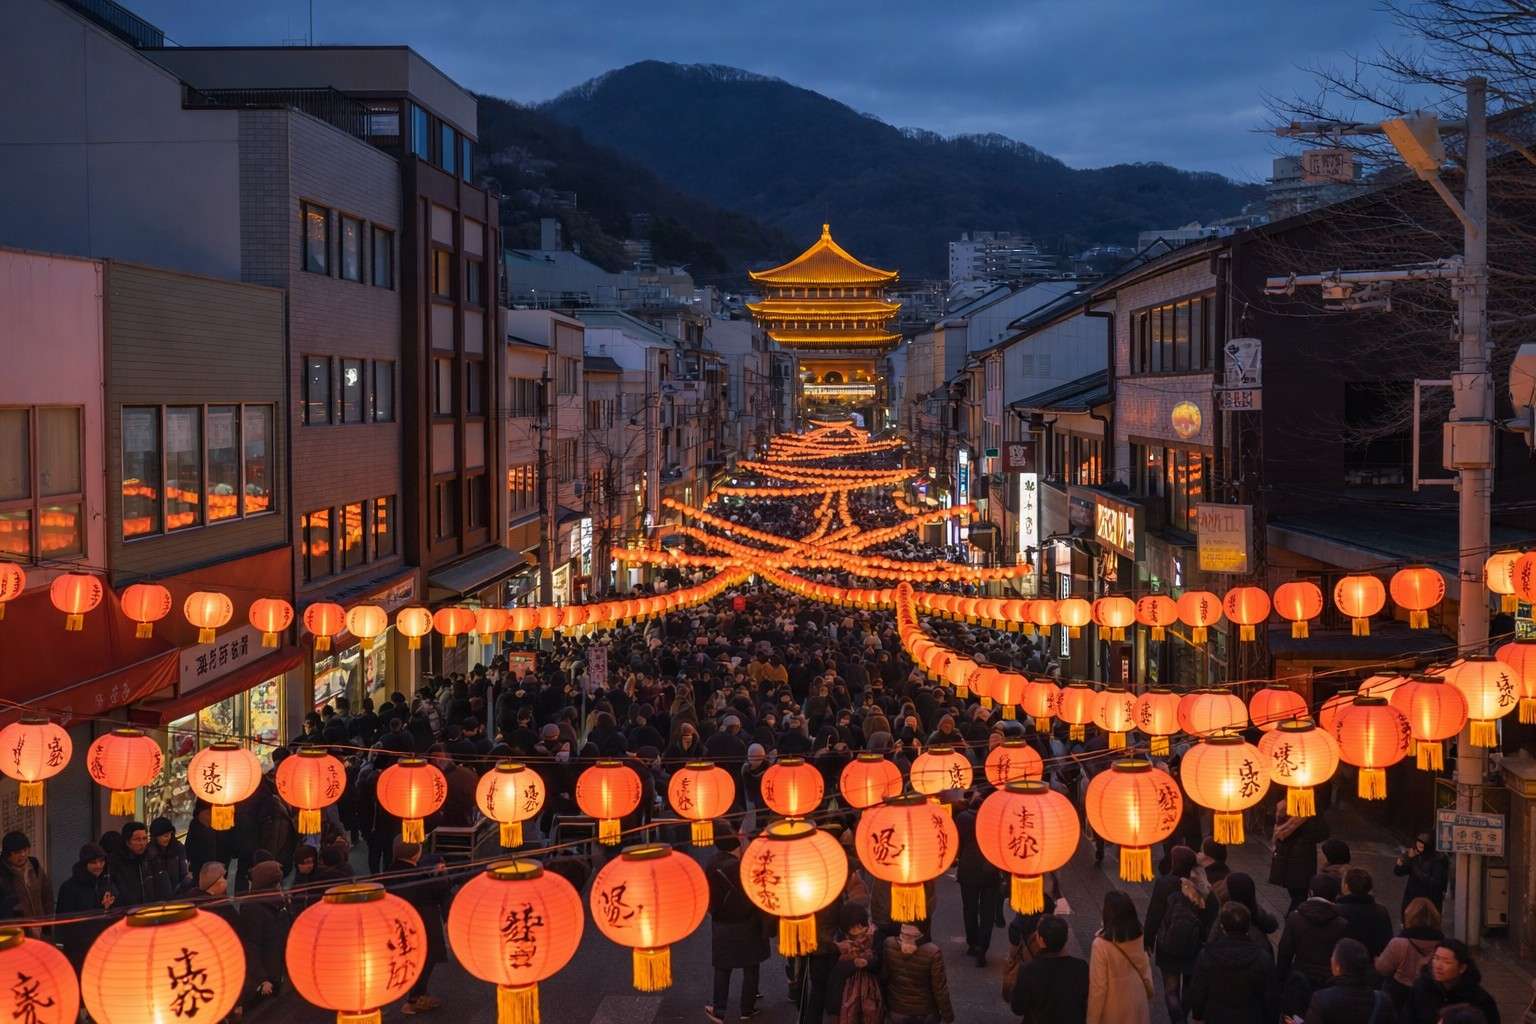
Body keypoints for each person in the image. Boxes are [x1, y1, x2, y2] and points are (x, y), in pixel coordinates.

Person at [703, 825, 768, 1024]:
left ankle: (719, 1009)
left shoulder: (711, 864)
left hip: (722, 924)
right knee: (751, 967)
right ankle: (747, 1009)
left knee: (723, 968)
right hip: (748, 923)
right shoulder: (744, 867)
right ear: (737, 844)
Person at [384, 839, 450, 1015]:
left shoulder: (389, 872)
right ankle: (415, 998)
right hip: (421, 922)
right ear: (416, 853)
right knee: (424, 960)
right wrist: (441, 877)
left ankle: (415, 995)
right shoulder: (416, 875)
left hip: (397, 924)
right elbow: (436, 893)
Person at [1145, 846, 1208, 1024]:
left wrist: (1148, 938)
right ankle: (1183, 1015)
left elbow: (1154, 913)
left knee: (1171, 990)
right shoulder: (1198, 885)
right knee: (1189, 985)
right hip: (1192, 942)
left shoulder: (1164, 883)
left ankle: (1178, 1020)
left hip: (1168, 942)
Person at [1186, 901, 1275, 1024]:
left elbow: (1199, 989)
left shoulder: (1207, 955)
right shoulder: (1262, 958)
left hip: (1216, 1016)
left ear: (1222, 927)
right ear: (1248, 927)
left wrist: (1197, 1014)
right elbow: (1269, 996)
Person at [1277, 874, 1348, 1015]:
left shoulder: (1295, 918)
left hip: (1300, 978)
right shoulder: (1342, 924)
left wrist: (1281, 980)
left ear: (1310, 893)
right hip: (1329, 982)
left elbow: (1285, 952)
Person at [1086, 891, 1154, 1024]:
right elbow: (1145, 966)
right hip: (1137, 1002)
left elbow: (1098, 988)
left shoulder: (1101, 945)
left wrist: (1092, 1019)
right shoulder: (1138, 935)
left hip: (1114, 1009)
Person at [1009, 914, 1087, 1024]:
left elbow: (1018, 1008)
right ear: (1066, 939)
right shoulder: (1081, 967)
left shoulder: (1029, 970)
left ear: (1041, 940)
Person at [954, 792, 1001, 966]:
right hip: (990, 870)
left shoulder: (962, 818)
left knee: (970, 909)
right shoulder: (995, 819)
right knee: (988, 912)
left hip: (968, 869)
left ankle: (972, 943)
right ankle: (983, 946)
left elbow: (957, 843)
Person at [54, 843, 119, 967]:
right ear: (85, 864)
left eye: (101, 861)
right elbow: (63, 921)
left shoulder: (107, 883)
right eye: (93, 862)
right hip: (79, 949)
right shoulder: (69, 887)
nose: (98, 866)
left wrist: (109, 906)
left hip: (104, 945)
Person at [1405, 940, 1501, 1024]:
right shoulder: (1421, 988)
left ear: (1462, 968)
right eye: (1436, 958)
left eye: (1446, 962)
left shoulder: (1480, 999)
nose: (1438, 966)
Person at [1375, 897, 1444, 1011]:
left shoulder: (1399, 944)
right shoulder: (1442, 945)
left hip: (1400, 995)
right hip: (1431, 995)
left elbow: (1382, 969)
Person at [1302, 937, 1394, 1023]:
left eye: (1333, 957)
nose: (1330, 959)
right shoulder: (1382, 1001)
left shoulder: (1321, 1000)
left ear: (1338, 967)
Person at [882, 923, 954, 1024]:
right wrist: (948, 1015)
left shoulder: (889, 944)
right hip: (925, 1013)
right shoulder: (933, 952)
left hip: (897, 1010)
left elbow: (884, 977)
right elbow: (940, 988)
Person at [239, 860, 289, 1005]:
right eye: (277, 883)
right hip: (266, 979)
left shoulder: (280, 903)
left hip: (279, 972)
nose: (280, 887)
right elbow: (250, 946)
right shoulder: (252, 909)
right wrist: (261, 979)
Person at [826, 903, 882, 1024]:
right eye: (853, 927)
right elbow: (835, 975)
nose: (858, 931)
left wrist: (867, 963)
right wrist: (853, 964)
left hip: (872, 995)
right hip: (846, 999)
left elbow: (881, 964)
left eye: (860, 926)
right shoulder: (841, 943)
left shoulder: (876, 936)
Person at [1270, 803, 1329, 915]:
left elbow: (1278, 831)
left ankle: (1292, 923)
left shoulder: (1283, 805)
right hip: (1301, 859)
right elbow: (1322, 833)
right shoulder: (1309, 808)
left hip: (1284, 857)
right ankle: (1293, 923)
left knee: (1296, 896)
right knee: (1299, 897)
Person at [1336, 867, 1393, 959]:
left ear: (1346, 887)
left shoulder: (1337, 910)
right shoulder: (1381, 911)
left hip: (1344, 963)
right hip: (1372, 963)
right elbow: (1387, 942)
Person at [111, 821, 172, 907]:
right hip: (128, 912)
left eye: (144, 838)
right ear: (127, 842)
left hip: (153, 911)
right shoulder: (117, 863)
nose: (142, 843)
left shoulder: (153, 858)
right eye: (137, 839)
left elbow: (165, 889)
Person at [0, 831, 51, 926]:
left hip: (41, 924)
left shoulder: (34, 864)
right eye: (17, 852)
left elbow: (46, 895)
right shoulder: (3, 873)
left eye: (25, 850)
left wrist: (48, 921)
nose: (23, 855)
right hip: (16, 929)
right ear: (7, 854)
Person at [1394, 833, 1450, 912]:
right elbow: (1399, 872)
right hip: (1411, 899)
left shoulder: (1437, 861)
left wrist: (1413, 865)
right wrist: (1401, 863)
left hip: (1428, 902)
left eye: (1421, 847)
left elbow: (1434, 883)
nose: (1419, 849)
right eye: (1418, 846)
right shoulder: (1415, 855)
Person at [148, 817, 192, 894]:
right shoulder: (149, 851)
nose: (168, 838)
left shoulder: (178, 848)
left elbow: (184, 873)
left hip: (178, 894)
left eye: (170, 835)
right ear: (155, 836)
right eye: (165, 836)